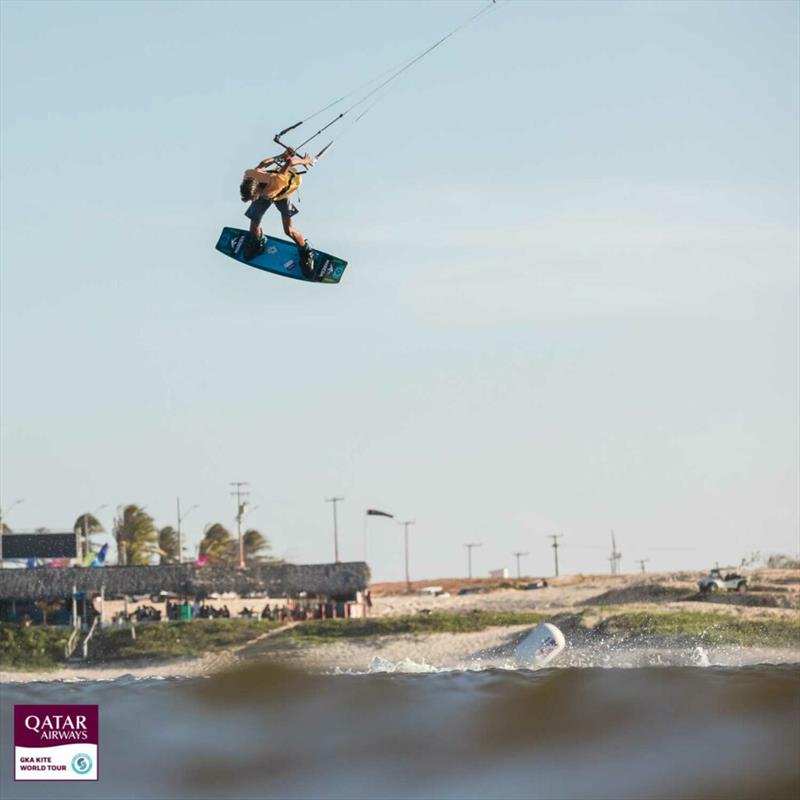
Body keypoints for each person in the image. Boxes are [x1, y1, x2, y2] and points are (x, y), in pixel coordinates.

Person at [240, 149, 316, 275]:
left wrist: (304, 161)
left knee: (288, 230)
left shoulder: (277, 181)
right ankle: (257, 241)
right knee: (254, 221)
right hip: (265, 193)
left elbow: (290, 163)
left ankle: (306, 251)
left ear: (257, 190)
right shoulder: (249, 175)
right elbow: (264, 163)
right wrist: (281, 156)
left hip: (283, 192)